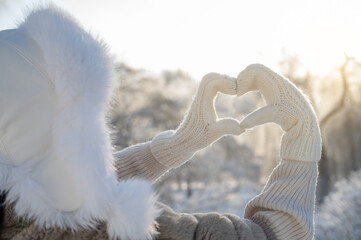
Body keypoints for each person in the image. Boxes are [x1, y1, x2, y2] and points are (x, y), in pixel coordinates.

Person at [0, 4, 321, 240]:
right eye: (81, 119)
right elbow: (271, 235)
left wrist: (175, 147)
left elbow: (65, 177)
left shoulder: (15, 208)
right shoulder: (121, 230)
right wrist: (301, 141)